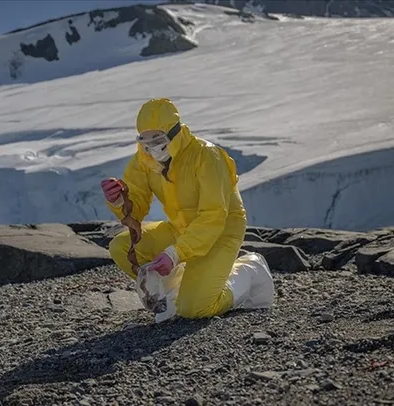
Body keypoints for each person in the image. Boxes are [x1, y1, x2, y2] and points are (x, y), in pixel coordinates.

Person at [101, 98, 274, 319]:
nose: (152, 148)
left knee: (196, 309)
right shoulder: (144, 159)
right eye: (145, 140)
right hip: (181, 229)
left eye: (158, 139)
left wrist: (175, 253)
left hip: (220, 232)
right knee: (122, 248)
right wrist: (119, 200)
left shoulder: (206, 156)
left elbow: (213, 216)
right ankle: (174, 293)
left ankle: (249, 273)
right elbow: (137, 203)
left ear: (175, 133)